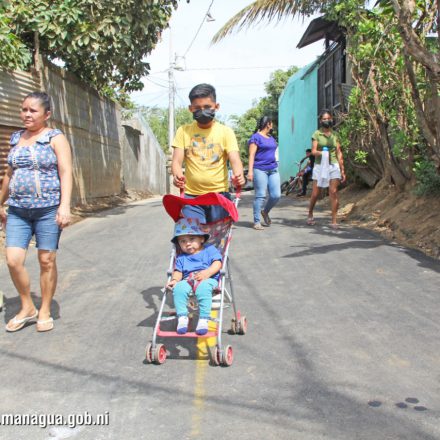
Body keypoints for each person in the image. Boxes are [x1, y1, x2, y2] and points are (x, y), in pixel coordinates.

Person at [0, 92, 72, 332]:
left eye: (33, 110)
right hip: (18, 210)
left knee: (46, 260)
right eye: (24, 110)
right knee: (13, 260)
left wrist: (64, 206)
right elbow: (9, 174)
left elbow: (65, 172)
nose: (27, 114)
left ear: (46, 114)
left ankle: (45, 310)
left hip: (48, 210)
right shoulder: (16, 138)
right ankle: (27, 306)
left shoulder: (55, 138)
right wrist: (0, 202)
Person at [171, 83, 245, 223]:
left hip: (219, 197)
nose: (202, 111)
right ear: (190, 109)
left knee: (216, 235)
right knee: (193, 235)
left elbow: (235, 160)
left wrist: (239, 176)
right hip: (192, 198)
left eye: (207, 107)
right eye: (197, 108)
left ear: (216, 106)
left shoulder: (226, 132)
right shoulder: (183, 131)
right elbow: (176, 161)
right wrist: (177, 176)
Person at [166, 217, 222, 336]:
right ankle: (182, 317)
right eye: (183, 241)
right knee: (178, 288)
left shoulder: (209, 250)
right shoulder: (181, 257)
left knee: (203, 288)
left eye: (192, 239)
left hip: (208, 279)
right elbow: (178, 271)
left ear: (201, 238)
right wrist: (175, 280)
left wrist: (208, 272)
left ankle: (203, 318)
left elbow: (217, 263)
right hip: (188, 280)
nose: (187, 243)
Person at [307, 109, 346, 228]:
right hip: (320, 165)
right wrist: (323, 153)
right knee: (316, 193)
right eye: (324, 119)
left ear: (332, 119)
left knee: (333, 192)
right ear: (320, 121)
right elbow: (313, 151)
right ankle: (310, 212)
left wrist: (342, 169)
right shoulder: (316, 134)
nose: (326, 120)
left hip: (333, 165)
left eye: (328, 118)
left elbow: (338, 152)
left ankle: (334, 220)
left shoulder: (335, 135)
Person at [247, 116, 281, 230]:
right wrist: (250, 171)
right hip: (260, 169)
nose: (272, 126)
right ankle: (257, 221)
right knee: (260, 195)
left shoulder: (271, 138)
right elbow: (251, 155)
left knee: (276, 195)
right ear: (268, 124)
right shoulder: (256, 137)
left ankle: (265, 212)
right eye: (271, 123)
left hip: (273, 169)